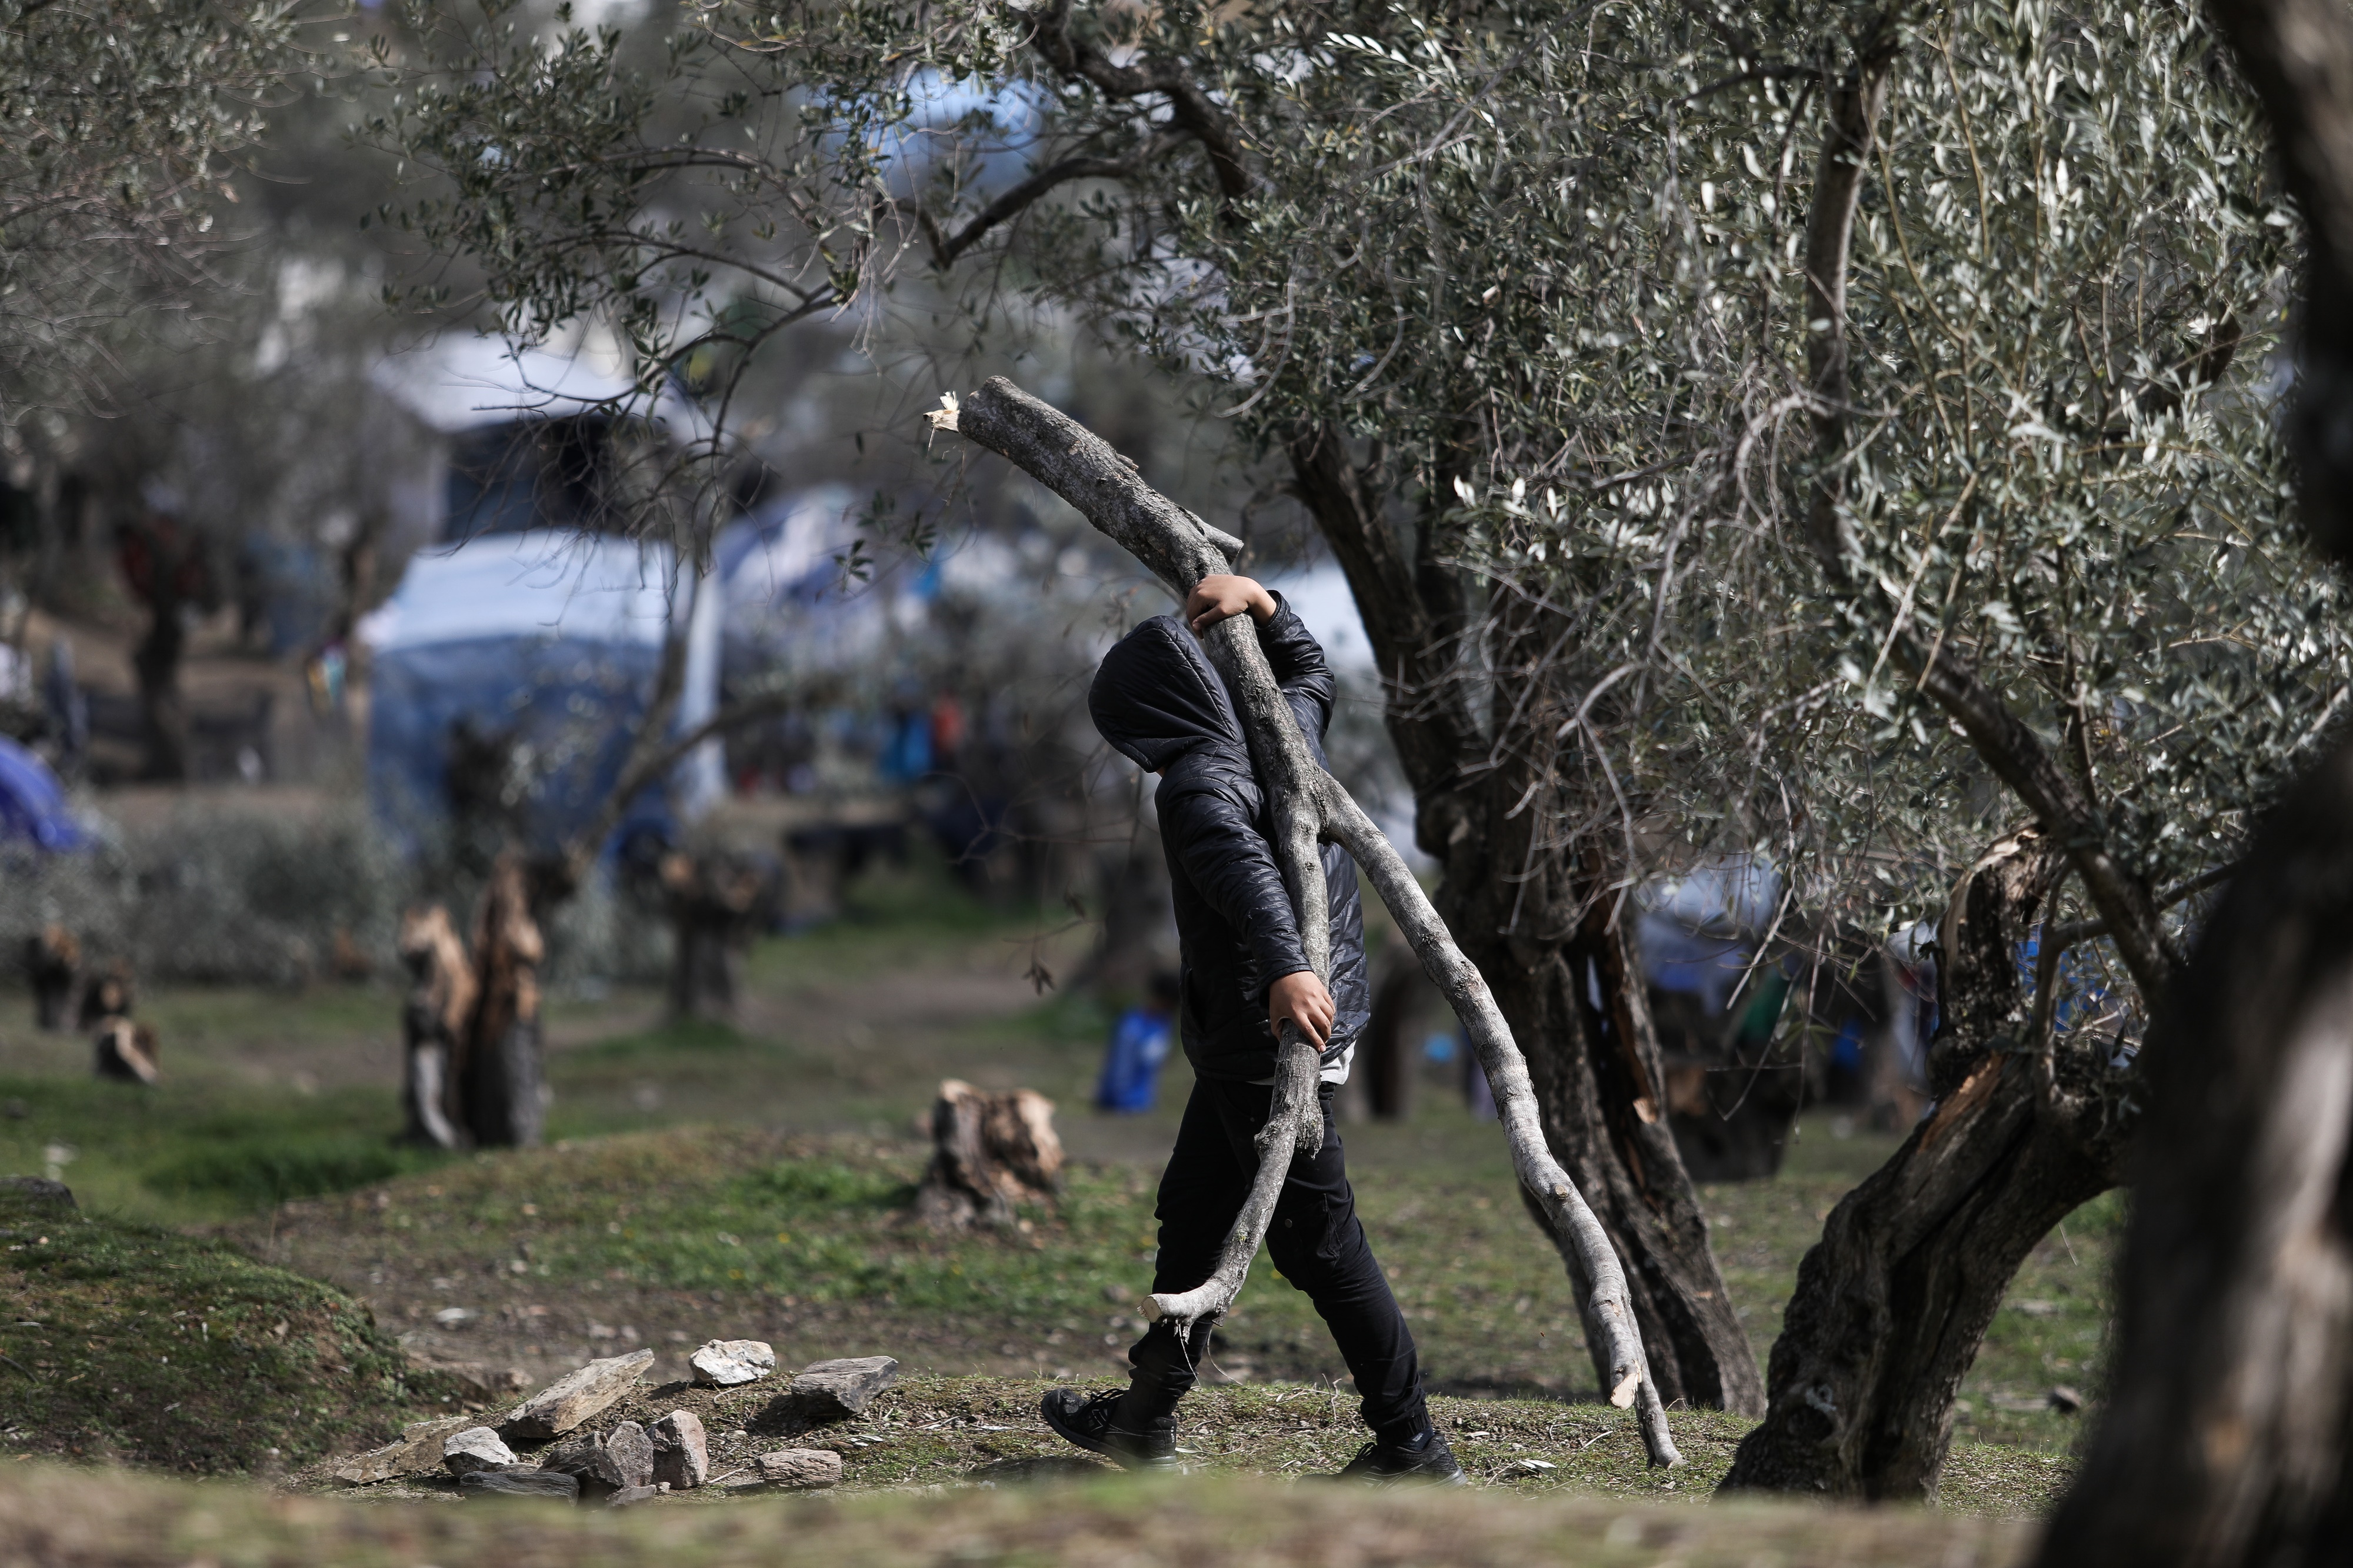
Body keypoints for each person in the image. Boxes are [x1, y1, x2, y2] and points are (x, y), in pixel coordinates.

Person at [1040, 573, 1462, 1485]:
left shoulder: (1195, 781)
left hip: (1270, 1031)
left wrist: (1283, 967)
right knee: (1195, 1212)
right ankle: (1144, 1419)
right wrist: (1262, 603)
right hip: (1308, 1013)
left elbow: (1244, 873)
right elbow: (1309, 669)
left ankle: (1412, 1443)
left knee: (1321, 1243)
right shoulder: (1282, 730)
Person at [1095, 971, 1178, 1113]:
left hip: (1143, 1103)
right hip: (1119, 1103)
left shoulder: (1163, 1024)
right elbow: (1121, 1067)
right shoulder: (1133, 1025)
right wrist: (1117, 1100)